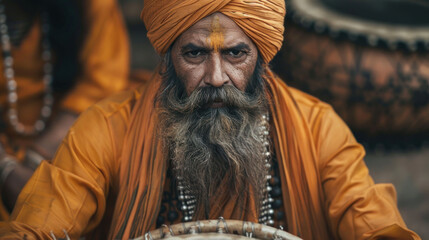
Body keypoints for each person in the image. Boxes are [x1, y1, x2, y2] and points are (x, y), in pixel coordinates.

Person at [0, 0, 421, 239]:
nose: (217, 78)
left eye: (236, 53)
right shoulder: (107, 128)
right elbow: (37, 228)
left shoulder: (317, 128)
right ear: (168, 57)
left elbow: (374, 224)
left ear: (260, 56)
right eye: (195, 54)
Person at [0, 0, 129, 219]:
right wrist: (6, 170)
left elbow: (103, 83)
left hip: (70, 136)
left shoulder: (95, 5)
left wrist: (34, 160)